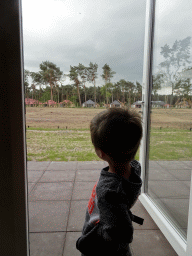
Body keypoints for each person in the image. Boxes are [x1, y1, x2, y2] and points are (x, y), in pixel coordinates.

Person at [76, 107, 144, 256]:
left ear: (100, 153)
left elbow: (121, 234)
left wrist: (88, 240)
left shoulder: (109, 192)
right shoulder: (134, 169)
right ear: (136, 146)